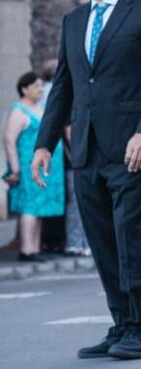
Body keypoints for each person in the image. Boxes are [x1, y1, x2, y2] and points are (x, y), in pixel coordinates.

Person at [32, 0, 141, 360]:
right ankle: (121, 323)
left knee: (129, 235)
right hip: (85, 149)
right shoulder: (73, 21)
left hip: (132, 146)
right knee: (101, 240)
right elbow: (63, 87)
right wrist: (45, 144)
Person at [4, 73, 66, 262]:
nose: (40, 90)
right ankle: (27, 249)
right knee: (30, 207)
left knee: (39, 208)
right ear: (24, 89)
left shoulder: (39, 108)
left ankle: (35, 248)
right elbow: (9, 139)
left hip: (46, 169)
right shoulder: (19, 111)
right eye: (36, 86)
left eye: (41, 86)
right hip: (28, 168)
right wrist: (15, 168)